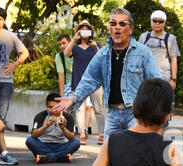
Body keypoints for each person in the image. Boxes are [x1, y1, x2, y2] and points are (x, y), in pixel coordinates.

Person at [53, 8, 161, 140]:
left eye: (122, 24)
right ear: (109, 28)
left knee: (134, 155)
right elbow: (89, 80)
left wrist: (148, 108)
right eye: (113, 23)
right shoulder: (102, 54)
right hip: (113, 114)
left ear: (131, 29)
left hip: (136, 114)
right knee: (109, 155)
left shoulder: (143, 53)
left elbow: (155, 84)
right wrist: (73, 98)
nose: (117, 28)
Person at [0, 6, 28, 154]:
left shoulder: (10, 36)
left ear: (4, 21)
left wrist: (15, 64)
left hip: (5, 81)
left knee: (1, 116)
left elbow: (24, 52)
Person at [138, 10, 180, 135]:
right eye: (154, 21)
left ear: (164, 23)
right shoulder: (143, 37)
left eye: (160, 21)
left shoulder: (170, 38)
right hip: (146, 80)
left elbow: (174, 59)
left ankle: (159, 138)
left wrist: (173, 79)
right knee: (146, 107)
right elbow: (138, 57)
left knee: (163, 108)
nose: (157, 23)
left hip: (164, 79)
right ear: (151, 22)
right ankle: (146, 134)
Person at [64, 20, 105, 145]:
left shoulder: (95, 45)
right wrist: (74, 39)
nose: (85, 31)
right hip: (79, 82)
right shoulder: (75, 48)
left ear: (91, 32)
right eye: (82, 29)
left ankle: (102, 134)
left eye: (87, 29)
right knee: (80, 109)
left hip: (95, 82)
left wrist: (96, 47)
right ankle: (82, 134)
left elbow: (103, 60)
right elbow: (66, 53)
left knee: (98, 109)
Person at [25, 93, 80, 164]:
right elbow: (34, 135)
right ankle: (59, 157)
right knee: (29, 140)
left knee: (76, 143)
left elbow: (72, 137)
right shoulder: (40, 116)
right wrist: (45, 126)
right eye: (50, 107)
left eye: (57, 107)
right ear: (46, 106)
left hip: (61, 145)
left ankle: (48, 157)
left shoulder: (68, 117)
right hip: (44, 144)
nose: (53, 110)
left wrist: (63, 128)